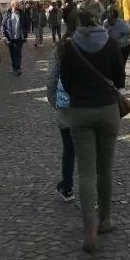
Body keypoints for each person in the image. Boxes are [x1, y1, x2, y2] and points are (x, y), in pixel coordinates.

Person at [60, 0, 125, 252]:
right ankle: (105, 219)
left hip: (80, 111)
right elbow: (119, 79)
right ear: (99, 18)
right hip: (108, 109)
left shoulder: (70, 46)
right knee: (105, 168)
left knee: (85, 172)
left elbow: (65, 83)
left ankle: (89, 230)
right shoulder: (109, 44)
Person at [46, 13, 78, 201]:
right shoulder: (100, 42)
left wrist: (53, 99)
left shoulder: (61, 48)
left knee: (69, 148)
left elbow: (51, 77)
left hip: (67, 104)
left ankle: (67, 186)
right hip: (93, 102)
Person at [2, 1, 28, 75]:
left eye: (16, 7)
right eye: (14, 7)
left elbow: (26, 24)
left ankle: (18, 68)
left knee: (18, 53)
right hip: (10, 37)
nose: (15, 9)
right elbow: (3, 25)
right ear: (11, 7)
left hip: (19, 37)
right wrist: (4, 35)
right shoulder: (7, 14)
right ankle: (14, 68)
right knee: (12, 53)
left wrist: (25, 33)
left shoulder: (22, 14)